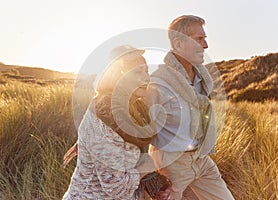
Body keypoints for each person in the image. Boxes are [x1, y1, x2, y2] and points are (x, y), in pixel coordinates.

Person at [63, 45, 174, 200]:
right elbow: (115, 187)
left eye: (146, 72)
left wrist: (157, 185)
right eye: (137, 72)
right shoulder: (102, 116)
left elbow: (133, 162)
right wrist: (149, 166)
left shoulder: (134, 109)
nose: (146, 78)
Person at [148, 15, 235, 199]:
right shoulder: (159, 83)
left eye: (205, 39)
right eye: (199, 39)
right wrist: (151, 177)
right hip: (171, 165)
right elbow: (139, 132)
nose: (206, 46)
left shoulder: (202, 80)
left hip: (201, 159)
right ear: (178, 44)